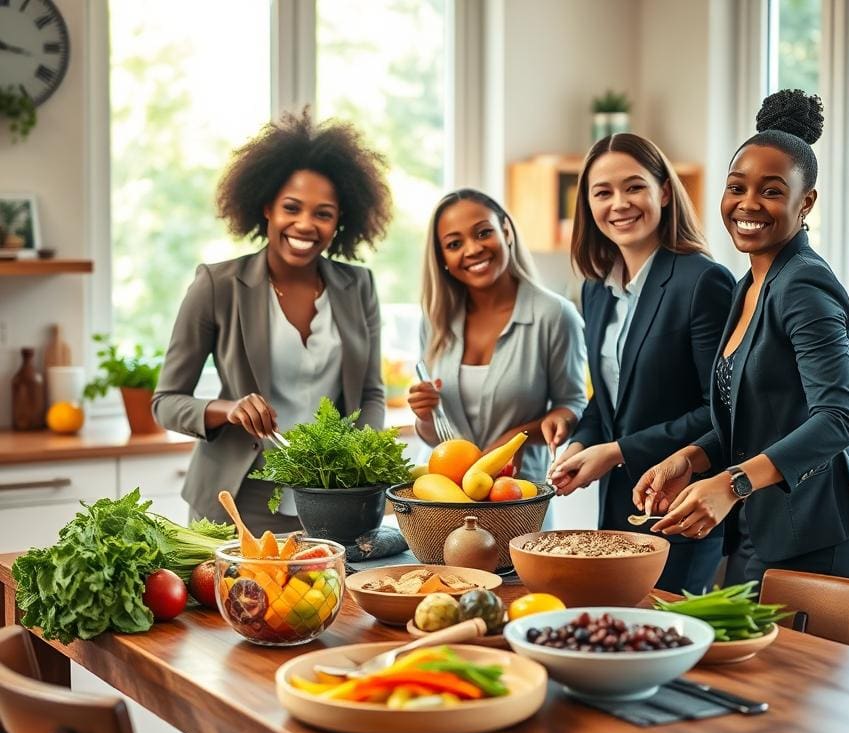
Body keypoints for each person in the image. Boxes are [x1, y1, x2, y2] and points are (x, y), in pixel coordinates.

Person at [635, 89, 849, 585]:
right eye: (736, 187)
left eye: (772, 191)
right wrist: (689, 458)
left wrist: (731, 484)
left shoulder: (804, 286)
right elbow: (759, 419)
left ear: (805, 202)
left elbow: (837, 419)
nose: (748, 203)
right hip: (762, 521)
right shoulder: (749, 285)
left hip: (814, 531)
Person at [153, 111, 393, 535]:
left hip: (331, 500)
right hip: (237, 500)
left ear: (340, 220)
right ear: (267, 207)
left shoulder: (359, 287)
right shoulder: (218, 285)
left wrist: (358, 460)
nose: (305, 224)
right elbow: (166, 402)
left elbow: (371, 394)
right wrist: (229, 410)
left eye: (323, 213)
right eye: (291, 208)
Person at [546, 133, 735, 594]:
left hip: (682, 507)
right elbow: (609, 398)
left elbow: (722, 412)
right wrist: (581, 442)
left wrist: (617, 451)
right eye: (602, 192)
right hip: (618, 508)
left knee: (666, 628)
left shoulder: (702, 281)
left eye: (634, 187)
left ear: (664, 192)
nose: (619, 204)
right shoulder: (595, 288)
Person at [408, 188, 588, 488]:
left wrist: (517, 438)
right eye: (454, 244)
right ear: (443, 258)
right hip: (446, 494)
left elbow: (573, 405)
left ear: (506, 231)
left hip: (516, 492)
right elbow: (435, 437)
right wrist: (425, 415)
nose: (472, 249)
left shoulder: (554, 315)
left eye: (483, 233)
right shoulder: (435, 318)